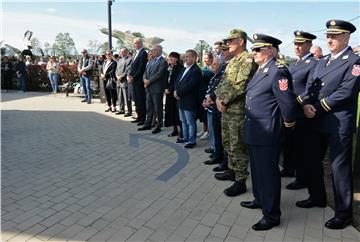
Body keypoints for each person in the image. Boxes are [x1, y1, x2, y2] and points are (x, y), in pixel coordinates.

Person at [296, 20, 360, 230]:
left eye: (334, 36)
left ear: (346, 37)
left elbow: (346, 91)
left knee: (338, 168)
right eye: (328, 36)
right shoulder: (321, 61)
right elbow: (310, 85)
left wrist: (318, 106)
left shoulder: (355, 62)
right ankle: (317, 197)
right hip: (315, 119)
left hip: (337, 121)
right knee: (311, 160)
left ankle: (344, 214)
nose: (329, 39)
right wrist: (305, 103)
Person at [240, 34, 297, 231]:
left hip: (267, 132)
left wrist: (287, 125)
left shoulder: (278, 72)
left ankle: (271, 215)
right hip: (254, 130)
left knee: (268, 174)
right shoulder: (261, 70)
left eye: (258, 49)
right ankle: (259, 199)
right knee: (256, 170)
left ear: (271, 50)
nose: (254, 52)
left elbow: (287, 104)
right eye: (253, 49)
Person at [214, 29, 257, 197]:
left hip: (237, 111)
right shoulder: (232, 61)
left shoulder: (247, 59)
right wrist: (217, 98)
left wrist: (224, 101)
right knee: (227, 142)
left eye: (231, 41)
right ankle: (232, 171)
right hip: (226, 109)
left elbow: (241, 85)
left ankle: (240, 181)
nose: (228, 44)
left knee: (237, 145)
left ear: (241, 41)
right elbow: (223, 83)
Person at [281, 30, 318, 190]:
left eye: (300, 43)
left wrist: (294, 102)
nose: (296, 46)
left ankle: (301, 179)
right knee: (289, 142)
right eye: (295, 43)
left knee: (301, 146)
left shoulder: (314, 63)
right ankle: (288, 169)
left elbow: (310, 89)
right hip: (290, 110)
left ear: (309, 45)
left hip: (301, 109)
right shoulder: (292, 64)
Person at [212, 42, 235, 173]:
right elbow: (221, 85)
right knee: (224, 138)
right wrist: (215, 98)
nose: (223, 52)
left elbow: (237, 88)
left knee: (233, 143)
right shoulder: (229, 65)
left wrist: (222, 101)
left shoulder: (236, 64)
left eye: (225, 50)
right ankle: (224, 163)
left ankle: (231, 169)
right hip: (221, 106)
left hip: (231, 108)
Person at [174, 49, 202, 149]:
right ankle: (185, 138)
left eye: (188, 56)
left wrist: (178, 92)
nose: (185, 58)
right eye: (185, 56)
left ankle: (192, 141)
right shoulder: (184, 69)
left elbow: (190, 85)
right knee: (183, 121)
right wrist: (176, 91)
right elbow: (177, 81)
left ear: (194, 57)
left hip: (189, 100)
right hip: (180, 100)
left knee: (190, 122)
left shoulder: (196, 70)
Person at [138, 45, 168, 134]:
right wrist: (144, 80)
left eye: (155, 50)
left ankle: (159, 125)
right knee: (149, 107)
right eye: (153, 50)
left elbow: (160, 74)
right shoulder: (151, 61)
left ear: (160, 51)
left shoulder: (163, 61)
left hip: (157, 88)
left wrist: (149, 81)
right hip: (148, 88)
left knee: (158, 108)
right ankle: (148, 123)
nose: (153, 52)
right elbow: (145, 72)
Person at [203, 57, 226, 166]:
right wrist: (205, 100)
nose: (213, 65)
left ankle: (220, 156)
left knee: (220, 135)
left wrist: (210, 100)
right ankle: (217, 154)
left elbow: (219, 91)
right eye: (213, 63)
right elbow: (210, 90)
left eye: (215, 64)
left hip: (218, 109)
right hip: (212, 107)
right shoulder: (215, 76)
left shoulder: (222, 76)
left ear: (221, 66)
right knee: (216, 133)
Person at [128, 37, 148, 125]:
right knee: (136, 100)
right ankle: (138, 116)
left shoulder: (143, 53)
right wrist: (129, 75)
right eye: (134, 43)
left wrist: (134, 77)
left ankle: (142, 119)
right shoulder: (135, 53)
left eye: (135, 43)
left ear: (140, 43)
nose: (134, 45)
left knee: (141, 100)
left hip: (139, 80)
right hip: (133, 80)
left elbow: (141, 68)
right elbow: (132, 66)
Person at [164, 52, 184, 138]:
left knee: (177, 113)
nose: (170, 59)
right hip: (168, 93)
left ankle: (182, 132)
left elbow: (177, 81)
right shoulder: (168, 67)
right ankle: (175, 130)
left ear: (177, 59)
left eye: (172, 57)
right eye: (169, 57)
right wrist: (165, 88)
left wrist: (170, 89)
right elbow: (165, 79)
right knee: (171, 112)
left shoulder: (180, 68)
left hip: (175, 93)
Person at [197, 52, 214, 140]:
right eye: (204, 58)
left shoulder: (212, 69)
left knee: (207, 114)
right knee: (203, 114)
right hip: (201, 94)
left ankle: (207, 131)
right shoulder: (204, 68)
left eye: (206, 58)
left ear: (211, 59)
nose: (204, 60)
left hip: (208, 95)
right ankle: (204, 129)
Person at [115, 47, 132, 116]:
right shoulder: (119, 60)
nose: (121, 53)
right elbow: (116, 70)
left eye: (123, 52)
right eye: (121, 52)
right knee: (120, 96)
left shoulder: (129, 60)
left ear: (126, 52)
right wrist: (117, 76)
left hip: (124, 81)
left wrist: (122, 76)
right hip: (119, 81)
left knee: (126, 97)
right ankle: (121, 109)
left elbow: (128, 70)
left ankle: (129, 111)